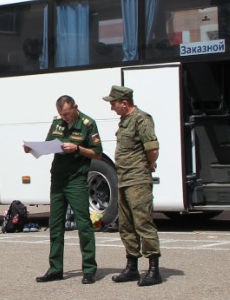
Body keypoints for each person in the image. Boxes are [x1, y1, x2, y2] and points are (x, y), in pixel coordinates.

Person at [27, 95, 102, 284]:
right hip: (58, 179)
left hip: (76, 179)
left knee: (84, 224)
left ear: (76, 107)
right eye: (62, 114)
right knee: (56, 224)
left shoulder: (88, 124)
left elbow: (98, 154)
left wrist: (77, 149)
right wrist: (32, 149)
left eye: (67, 114)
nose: (65, 117)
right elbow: (47, 146)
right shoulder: (58, 123)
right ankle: (55, 269)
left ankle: (89, 269)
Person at [106, 85, 163, 286]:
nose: (111, 107)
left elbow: (152, 149)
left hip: (138, 179)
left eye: (113, 103)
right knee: (126, 225)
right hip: (124, 178)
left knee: (143, 223)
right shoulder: (124, 121)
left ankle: (154, 269)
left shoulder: (141, 119)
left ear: (124, 102)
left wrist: (146, 164)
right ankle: (132, 267)